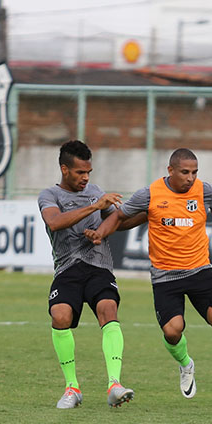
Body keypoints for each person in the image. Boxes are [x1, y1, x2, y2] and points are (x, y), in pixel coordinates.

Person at [85, 148, 212, 411]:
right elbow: (120, 216)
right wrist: (100, 233)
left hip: (200, 272)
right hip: (165, 278)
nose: (190, 178)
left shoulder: (206, 191)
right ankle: (186, 363)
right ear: (170, 170)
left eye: (195, 172)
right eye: (185, 172)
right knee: (172, 331)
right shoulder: (149, 194)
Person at [38, 140, 139, 409]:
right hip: (68, 268)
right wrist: (95, 206)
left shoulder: (96, 191)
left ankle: (114, 385)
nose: (86, 178)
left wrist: (149, 211)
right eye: (80, 172)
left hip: (99, 267)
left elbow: (119, 221)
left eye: (88, 173)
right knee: (59, 316)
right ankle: (72, 388)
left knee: (108, 308)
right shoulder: (49, 195)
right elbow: (55, 222)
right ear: (64, 169)